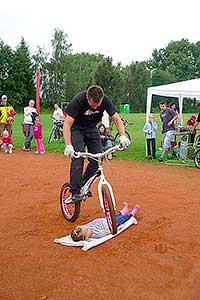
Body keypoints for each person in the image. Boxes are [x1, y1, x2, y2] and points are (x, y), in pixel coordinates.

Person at [63, 85, 130, 202]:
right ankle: (74, 191)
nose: (95, 107)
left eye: (98, 105)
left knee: (98, 158)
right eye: (93, 104)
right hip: (76, 129)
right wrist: (68, 145)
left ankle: (83, 185)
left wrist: (123, 136)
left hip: (91, 129)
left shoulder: (105, 100)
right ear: (87, 98)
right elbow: (67, 124)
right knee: (78, 157)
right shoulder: (78, 101)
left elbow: (117, 119)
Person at [71, 202, 141, 241]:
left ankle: (123, 211)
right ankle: (132, 213)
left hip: (104, 219)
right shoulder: (97, 234)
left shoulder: (86, 226)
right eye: (80, 231)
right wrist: (118, 228)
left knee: (114, 215)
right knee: (122, 219)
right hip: (111, 223)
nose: (79, 229)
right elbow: (109, 232)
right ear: (85, 237)